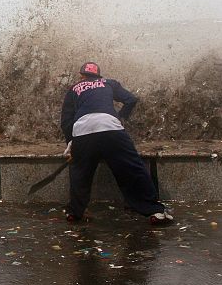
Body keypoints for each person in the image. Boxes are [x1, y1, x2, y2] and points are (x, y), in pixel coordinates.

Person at [60, 62, 173, 225]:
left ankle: (75, 212)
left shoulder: (74, 88)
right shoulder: (109, 83)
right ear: (98, 76)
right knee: (132, 168)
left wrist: (70, 142)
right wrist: (121, 117)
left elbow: (66, 119)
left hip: (83, 131)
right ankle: (154, 211)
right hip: (110, 128)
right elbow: (131, 99)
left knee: (80, 172)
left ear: (82, 76)